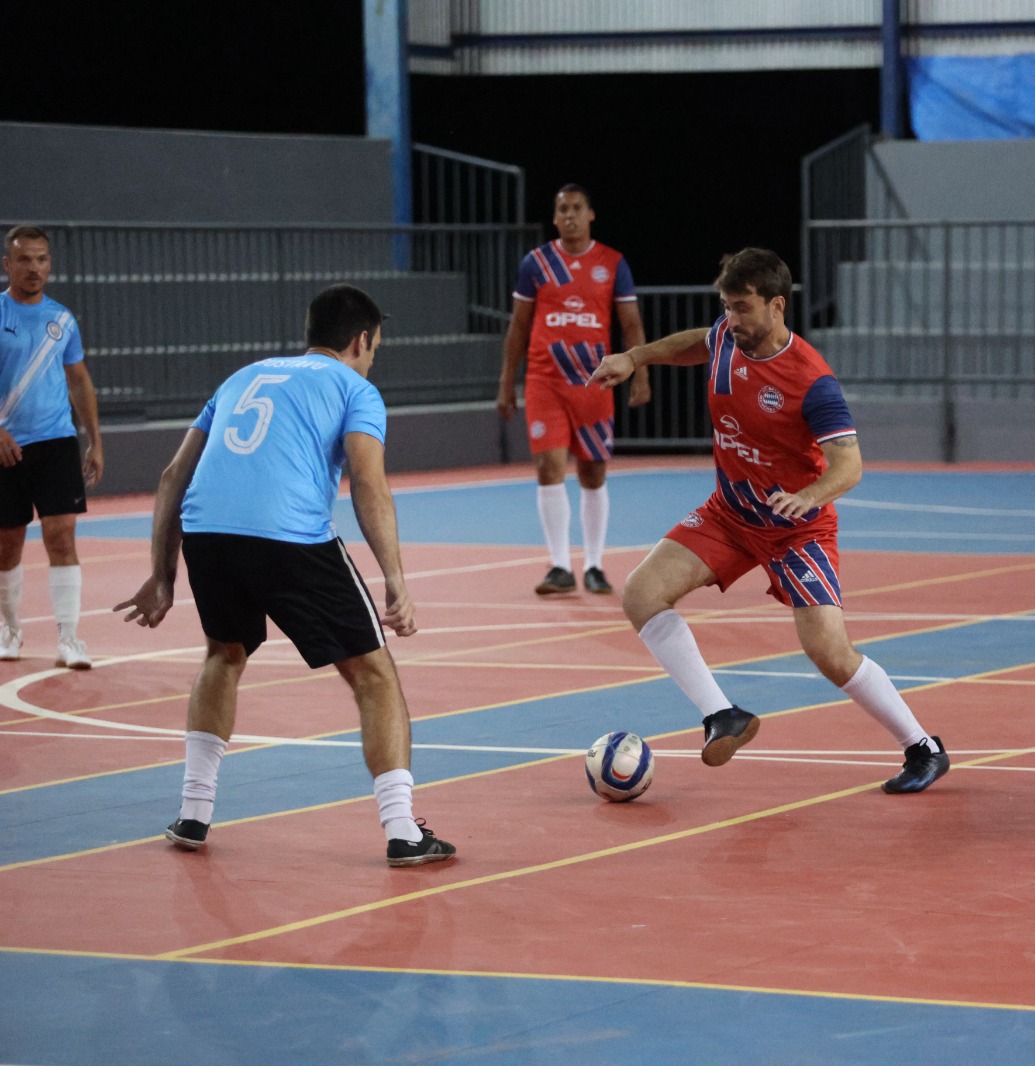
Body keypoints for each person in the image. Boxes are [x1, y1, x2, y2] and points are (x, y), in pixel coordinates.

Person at [115, 284, 455, 868]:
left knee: (223, 655)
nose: (372, 358)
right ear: (361, 340)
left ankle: (193, 812)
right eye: (375, 347)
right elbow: (368, 482)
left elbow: (173, 475)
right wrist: (395, 578)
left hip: (207, 534)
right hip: (288, 536)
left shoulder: (241, 377)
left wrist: (162, 574)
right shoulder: (355, 388)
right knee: (374, 676)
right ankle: (403, 830)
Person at [589, 248, 950, 794]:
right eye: (726, 307)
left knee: (829, 653)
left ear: (777, 306)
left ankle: (922, 747)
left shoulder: (811, 380)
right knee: (641, 593)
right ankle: (722, 715)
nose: (731, 319)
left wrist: (810, 496)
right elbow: (697, 342)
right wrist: (636, 357)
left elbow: (849, 465)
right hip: (731, 513)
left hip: (796, 527)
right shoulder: (726, 337)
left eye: (742, 308)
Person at [497, 184, 650, 597]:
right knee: (548, 467)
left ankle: (595, 565)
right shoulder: (537, 263)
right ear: (554, 218)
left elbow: (631, 324)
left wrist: (640, 374)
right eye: (562, 209)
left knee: (593, 471)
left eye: (577, 208)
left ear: (590, 214)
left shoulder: (612, 263)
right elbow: (519, 325)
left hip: (594, 382)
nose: (569, 215)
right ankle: (561, 566)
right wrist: (506, 382)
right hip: (545, 382)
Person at [0, 225, 105, 669]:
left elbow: (78, 379)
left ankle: (69, 638)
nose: (34, 268)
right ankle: (9, 629)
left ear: (50, 265)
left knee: (61, 535)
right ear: (8, 264)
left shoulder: (62, 319)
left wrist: (94, 440)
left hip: (57, 441)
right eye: (25, 259)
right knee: (7, 545)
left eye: (41, 259)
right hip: (7, 447)